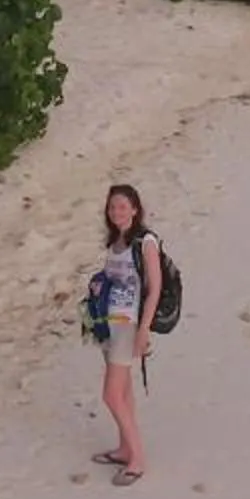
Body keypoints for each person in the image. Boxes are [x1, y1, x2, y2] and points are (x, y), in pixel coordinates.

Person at [91, 182, 164, 482]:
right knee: (123, 391)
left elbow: (155, 288)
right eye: (112, 207)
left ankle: (137, 458)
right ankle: (124, 448)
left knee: (110, 395)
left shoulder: (145, 242)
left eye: (122, 206)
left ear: (135, 209)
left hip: (129, 325)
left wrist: (144, 329)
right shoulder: (115, 241)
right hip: (109, 321)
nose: (117, 211)